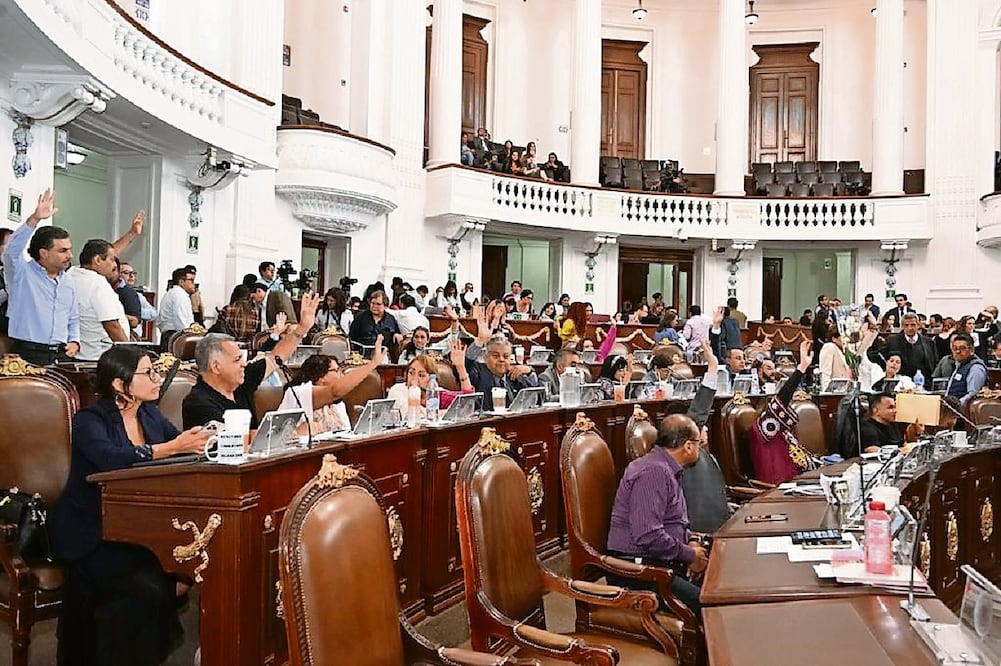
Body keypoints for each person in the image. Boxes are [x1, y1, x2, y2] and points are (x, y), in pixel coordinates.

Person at [51, 346, 213, 665]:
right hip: (92, 532)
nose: (156, 379)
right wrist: (171, 447)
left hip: (137, 529)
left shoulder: (148, 414)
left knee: (173, 576)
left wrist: (202, 442)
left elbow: (177, 449)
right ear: (119, 384)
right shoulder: (89, 420)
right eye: (147, 373)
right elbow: (111, 460)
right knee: (149, 588)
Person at [606, 412, 709, 616]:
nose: (701, 447)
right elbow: (648, 535)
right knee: (710, 605)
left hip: (659, 561)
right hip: (639, 571)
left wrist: (693, 542)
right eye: (699, 443)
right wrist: (688, 555)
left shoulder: (666, 468)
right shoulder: (654, 472)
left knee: (720, 582)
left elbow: (673, 523)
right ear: (688, 446)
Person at [182, 292, 320, 428]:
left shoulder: (241, 380)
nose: (244, 364)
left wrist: (303, 328)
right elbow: (236, 441)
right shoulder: (198, 402)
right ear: (216, 367)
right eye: (237, 360)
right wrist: (292, 433)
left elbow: (275, 358)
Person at [2, 189, 80, 364]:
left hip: (62, 355)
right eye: (63, 251)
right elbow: (10, 252)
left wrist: (75, 340)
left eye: (69, 249)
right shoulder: (21, 274)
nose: (70, 255)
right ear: (44, 253)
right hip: (27, 354)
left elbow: (73, 317)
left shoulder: (67, 280)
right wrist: (34, 219)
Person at [279, 339, 387, 434]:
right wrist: (372, 364)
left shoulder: (338, 403)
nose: (342, 374)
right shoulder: (299, 392)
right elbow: (336, 390)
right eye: (336, 370)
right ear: (321, 376)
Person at [749, 340, 819, 484]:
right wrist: (801, 368)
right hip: (779, 489)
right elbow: (783, 397)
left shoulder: (781, 431)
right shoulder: (763, 428)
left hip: (800, 481)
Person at [464, 307, 540, 410]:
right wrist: (480, 341)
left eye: (506, 356)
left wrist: (530, 371)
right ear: (486, 358)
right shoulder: (478, 372)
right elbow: (465, 364)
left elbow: (535, 399)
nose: (501, 359)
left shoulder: (514, 375)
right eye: (495, 356)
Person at [69, 240, 132, 361]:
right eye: (112, 259)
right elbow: (112, 325)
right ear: (97, 260)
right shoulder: (97, 283)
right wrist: (129, 356)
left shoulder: (71, 274)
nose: (115, 265)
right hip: (100, 357)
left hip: (79, 354)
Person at [387, 338, 473, 412]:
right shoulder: (398, 390)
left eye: (421, 375)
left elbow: (467, 402)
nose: (414, 378)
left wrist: (461, 367)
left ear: (432, 379)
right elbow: (413, 414)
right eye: (411, 373)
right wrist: (443, 413)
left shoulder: (435, 392)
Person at [881, 313, 937, 381]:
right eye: (906, 325)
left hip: (924, 384)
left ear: (918, 325)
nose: (909, 328)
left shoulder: (929, 342)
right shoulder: (892, 341)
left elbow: (934, 363)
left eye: (913, 325)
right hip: (900, 384)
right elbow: (879, 356)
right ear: (902, 326)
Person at [945, 332, 987, 407]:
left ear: (971, 350)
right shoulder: (959, 365)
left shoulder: (976, 368)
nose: (958, 351)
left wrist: (956, 405)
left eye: (962, 348)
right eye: (955, 348)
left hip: (963, 414)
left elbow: (972, 396)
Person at [156, 267, 196, 342]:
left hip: (168, 335)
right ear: (181, 282)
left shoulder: (170, 293)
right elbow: (181, 320)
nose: (194, 284)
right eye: (191, 280)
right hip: (176, 336)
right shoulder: (179, 295)